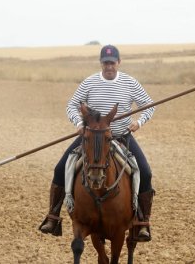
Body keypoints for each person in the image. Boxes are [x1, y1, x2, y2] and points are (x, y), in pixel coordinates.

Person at [39, 45, 155, 241]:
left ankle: (142, 223)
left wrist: (138, 123)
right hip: (91, 137)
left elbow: (149, 106)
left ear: (118, 62)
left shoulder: (129, 82)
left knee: (145, 171)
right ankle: (53, 216)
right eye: (105, 63)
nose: (109, 66)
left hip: (120, 136)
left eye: (112, 62)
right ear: (101, 63)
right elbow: (72, 105)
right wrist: (78, 123)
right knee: (60, 168)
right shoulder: (90, 82)